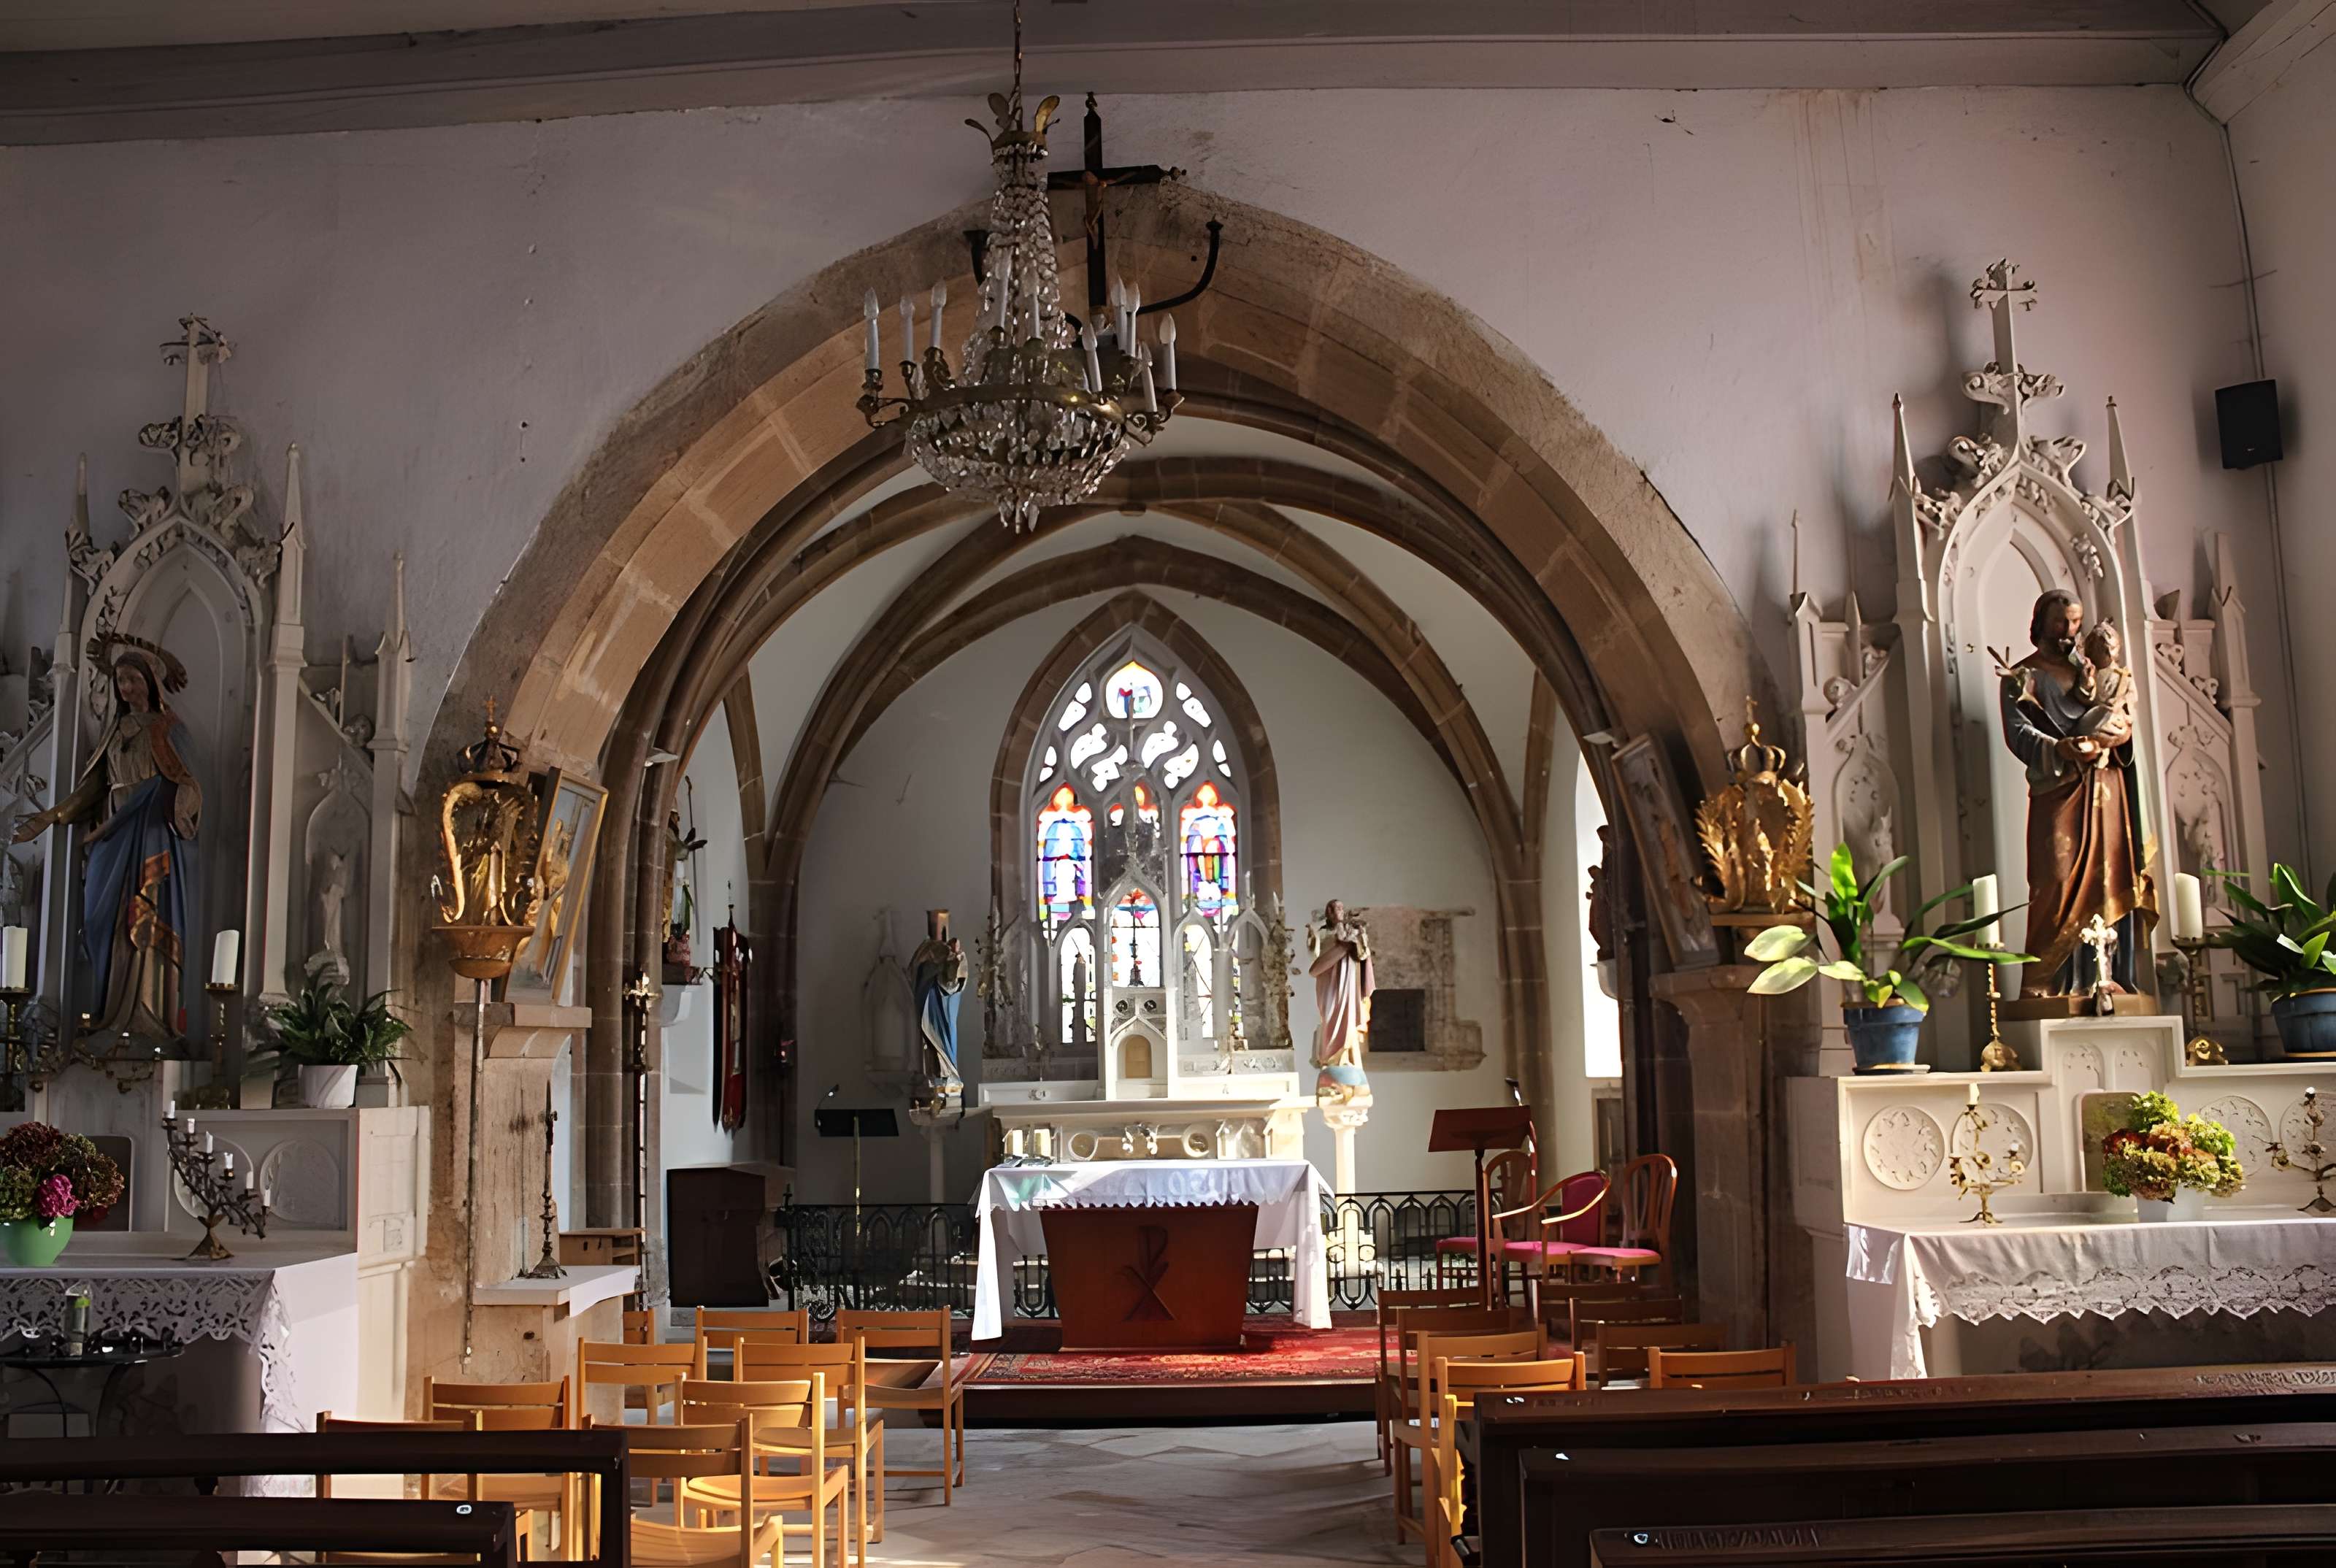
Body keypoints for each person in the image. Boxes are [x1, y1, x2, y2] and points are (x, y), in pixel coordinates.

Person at [13, 642, 201, 1038]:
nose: (127, 688)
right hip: (111, 836)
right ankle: (107, 1014)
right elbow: (91, 790)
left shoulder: (168, 730)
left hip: (150, 836)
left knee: (146, 920)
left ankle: (149, 1015)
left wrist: (163, 798)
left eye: (133, 679)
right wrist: (48, 818)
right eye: (120, 680)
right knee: (101, 922)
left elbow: (189, 787)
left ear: (150, 683)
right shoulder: (115, 732)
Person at [1998, 591, 2154, 996]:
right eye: (2060, 622)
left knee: (2110, 873)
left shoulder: (2095, 672)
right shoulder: (2021, 677)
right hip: (2059, 790)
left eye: (2075, 623)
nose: (2069, 632)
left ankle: (2107, 976)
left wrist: (2123, 735)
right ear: (2040, 623)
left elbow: (2121, 715)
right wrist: (2060, 748)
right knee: (2057, 878)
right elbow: (2019, 734)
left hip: (2105, 790)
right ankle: (2048, 980)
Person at [1308, 899, 1374, 1107]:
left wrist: (1357, 939)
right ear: (1328, 911)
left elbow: (1363, 954)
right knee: (1329, 1016)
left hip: (1348, 983)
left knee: (1348, 1017)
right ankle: (1330, 1057)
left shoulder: (1351, 931)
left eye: (1342, 908)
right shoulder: (1323, 932)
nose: (1340, 911)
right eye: (1336, 908)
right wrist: (1312, 937)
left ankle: (1345, 1058)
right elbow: (1314, 957)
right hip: (1328, 983)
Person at [910, 908, 967, 1106]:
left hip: (944, 1007)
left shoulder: (952, 955)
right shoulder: (924, 952)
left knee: (943, 1040)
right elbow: (915, 974)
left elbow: (955, 981)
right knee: (928, 1044)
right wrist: (937, 963)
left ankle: (946, 1077)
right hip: (926, 1002)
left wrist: (954, 960)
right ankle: (935, 1080)